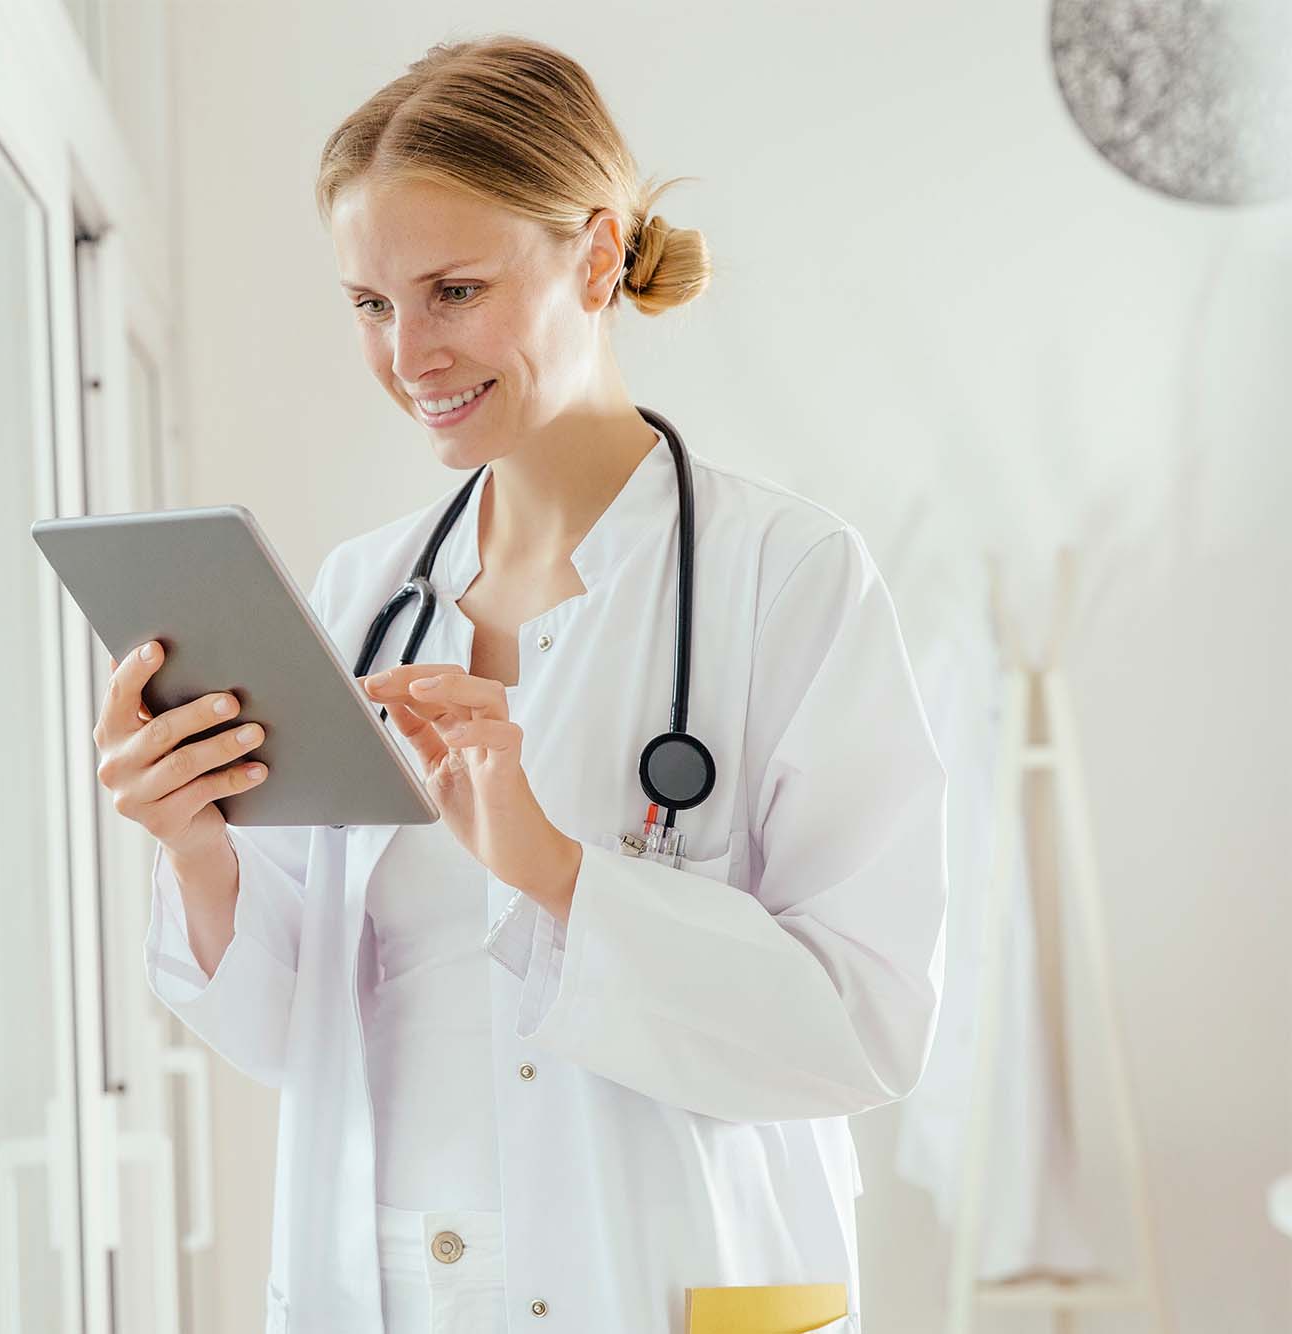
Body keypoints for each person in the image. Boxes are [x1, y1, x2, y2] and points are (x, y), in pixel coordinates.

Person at [95, 34, 946, 1334]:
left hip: (656, 1280)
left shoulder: (789, 579)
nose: (409, 354)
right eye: (371, 304)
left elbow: (865, 1029)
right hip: (388, 1285)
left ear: (597, 257)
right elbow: (301, 1036)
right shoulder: (357, 595)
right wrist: (194, 844)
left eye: (453, 289)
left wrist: (553, 865)